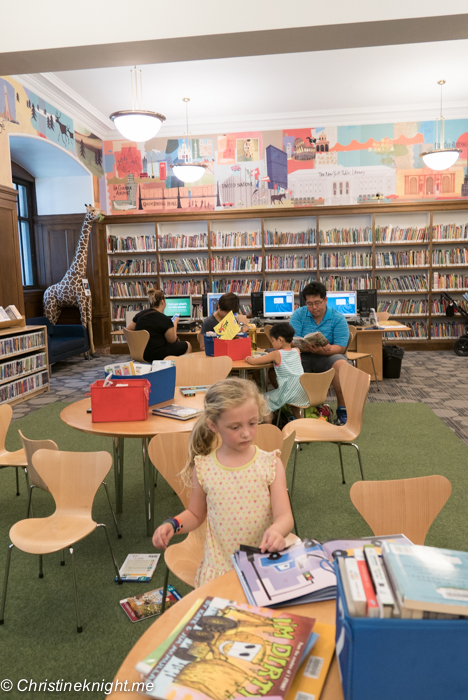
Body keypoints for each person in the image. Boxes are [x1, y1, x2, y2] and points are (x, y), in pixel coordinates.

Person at [152, 377, 294, 586]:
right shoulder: (204, 468)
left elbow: (285, 517)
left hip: (261, 563)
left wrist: (277, 530)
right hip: (219, 569)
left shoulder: (270, 463)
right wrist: (173, 524)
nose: (246, 433)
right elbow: (195, 514)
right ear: (213, 425)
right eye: (235, 427)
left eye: (253, 423)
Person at [289, 281, 349, 425]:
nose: (314, 307)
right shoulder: (298, 314)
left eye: (317, 303)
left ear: (325, 300)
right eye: (309, 304)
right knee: (281, 362)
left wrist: (322, 351)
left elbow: (340, 347)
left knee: (341, 364)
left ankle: (342, 409)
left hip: (328, 356)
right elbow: (291, 341)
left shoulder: (338, 317)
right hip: (303, 355)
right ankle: (293, 411)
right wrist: (307, 347)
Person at [245, 322, 309, 421]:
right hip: (301, 391)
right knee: (293, 402)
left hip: (286, 391)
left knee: (263, 401)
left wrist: (248, 358)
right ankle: (299, 421)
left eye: (273, 340)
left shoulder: (276, 354)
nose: (272, 343)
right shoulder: (297, 351)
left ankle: (269, 429)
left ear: (280, 339)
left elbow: (254, 362)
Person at [126, 288, 192, 362]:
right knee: (187, 345)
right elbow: (172, 340)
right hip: (158, 354)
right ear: (162, 302)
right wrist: (175, 323)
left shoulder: (140, 315)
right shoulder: (165, 319)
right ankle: (179, 369)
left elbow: (128, 329)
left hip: (141, 353)